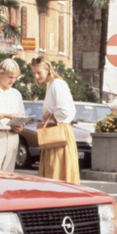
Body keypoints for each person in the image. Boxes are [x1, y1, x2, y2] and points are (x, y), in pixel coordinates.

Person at [31, 56, 80, 184]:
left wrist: (50, 116)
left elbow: (66, 112)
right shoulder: (50, 85)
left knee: (58, 172)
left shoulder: (57, 84)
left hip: (59, 134)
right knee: (53, 171)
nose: (36, 76)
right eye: (34, 73)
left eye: (38, 72)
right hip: (54, 135)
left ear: (48, 70)